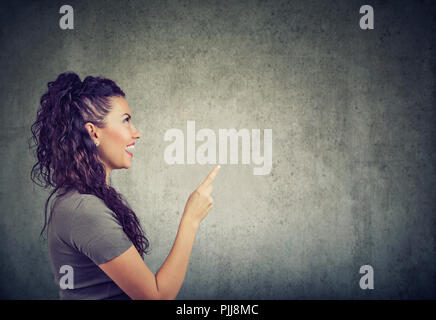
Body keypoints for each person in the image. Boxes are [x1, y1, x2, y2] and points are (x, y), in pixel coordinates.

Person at [29, 71, 220, 300]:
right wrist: (191, 219)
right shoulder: (83, 209)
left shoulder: (83, 200)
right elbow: (156, 297)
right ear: (93, 133)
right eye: (126, 120)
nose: (136, 133)